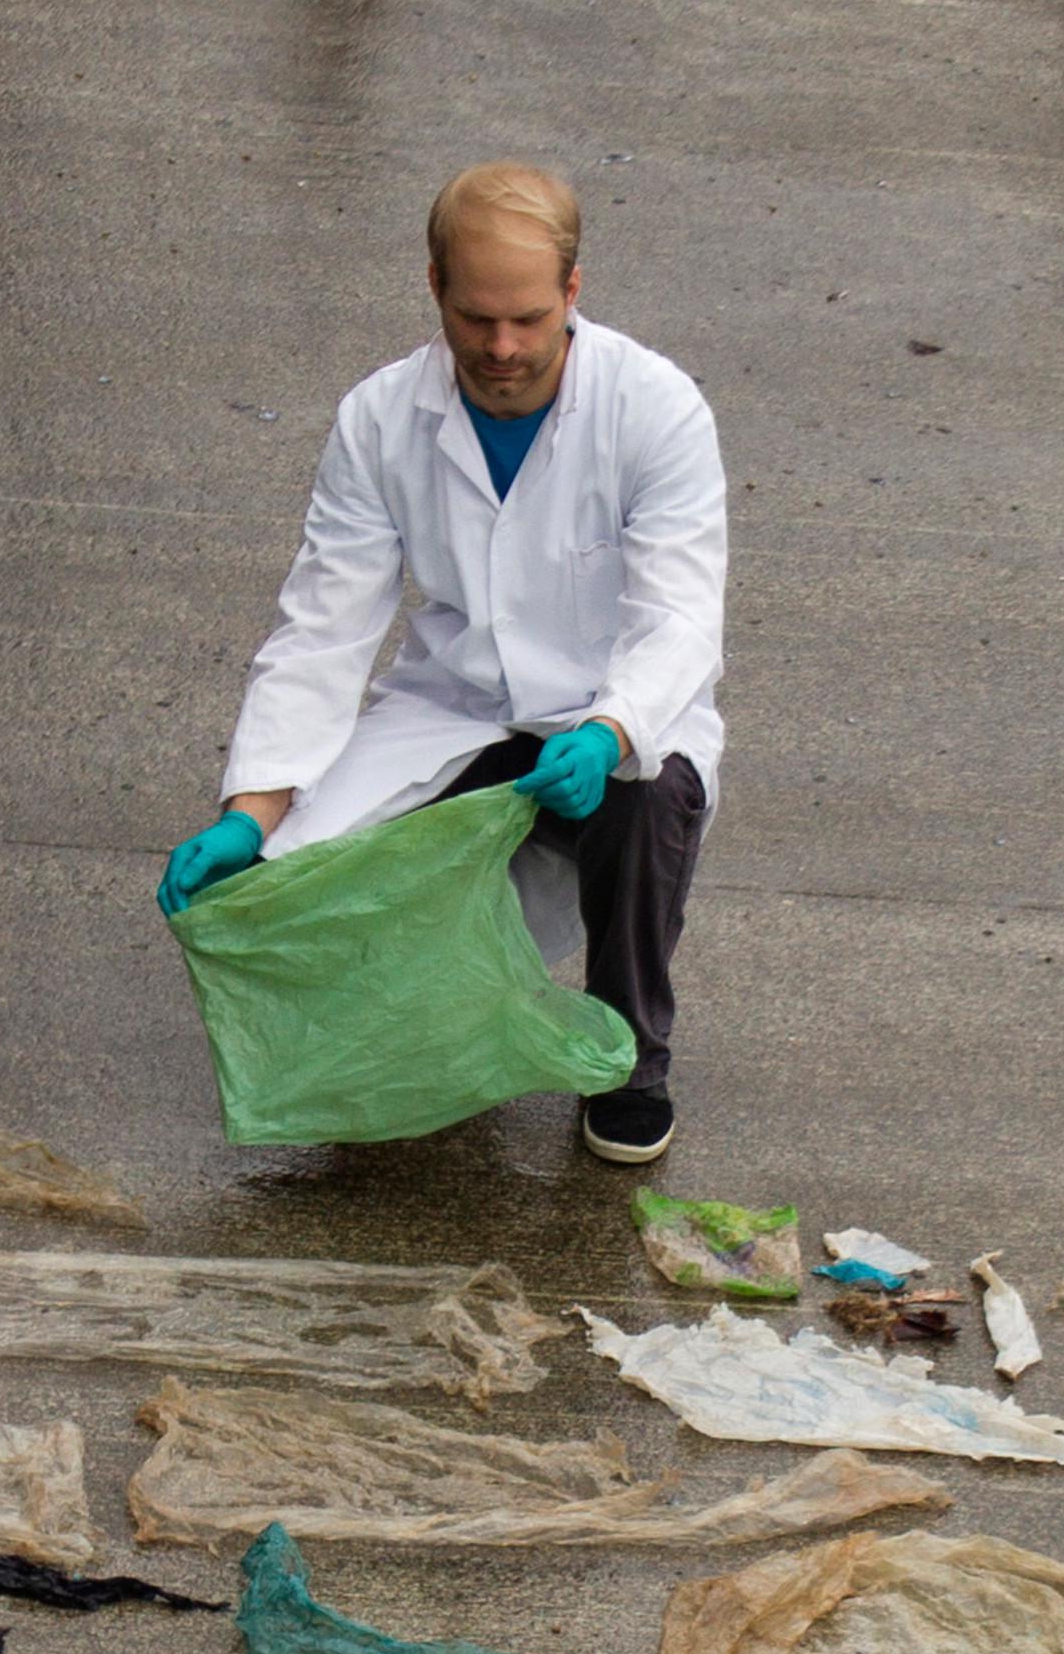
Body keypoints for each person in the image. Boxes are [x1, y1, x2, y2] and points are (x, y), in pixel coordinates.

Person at [158, 160, 727, 1168]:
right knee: (311, 875)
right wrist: (254, 809)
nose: (502, 349)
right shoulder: (380, 420)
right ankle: (423, 1042)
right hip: (451, 710)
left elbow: (680, 616)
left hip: (609, 712)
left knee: (646, 798)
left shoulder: (655, 409)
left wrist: (611, 727)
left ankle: (633, 1058)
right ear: (434, 289)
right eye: (476, 320)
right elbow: (325, 625)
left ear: (572, 293)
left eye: (526, 319)